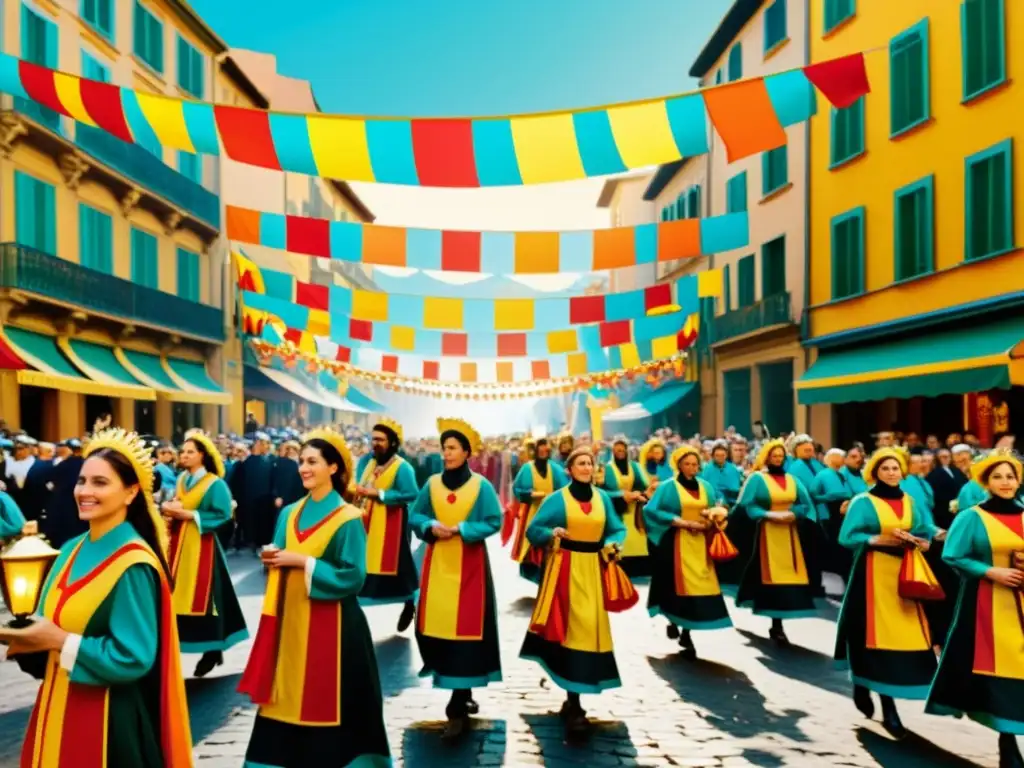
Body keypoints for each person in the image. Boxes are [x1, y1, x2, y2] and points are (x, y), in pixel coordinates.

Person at [7, 429, 193, 767]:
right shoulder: (68, 550)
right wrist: (26, 642)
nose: (85, 491)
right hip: (56, 706)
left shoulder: (133, 562)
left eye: (100, 483)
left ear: (131, 492)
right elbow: (49, 627)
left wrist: (57, 639)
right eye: (82, 481)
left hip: (108, 724)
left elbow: (133, 657)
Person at [238, 428, 391, 767]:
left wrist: (303, 561)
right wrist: (272, 559)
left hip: (337, 631)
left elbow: (353, 576)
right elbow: (279, 553)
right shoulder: (288, 513)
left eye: (312, 462)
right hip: (290, 624)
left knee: (332, 700)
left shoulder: (350, 518)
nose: (303, 468)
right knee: (286, 695)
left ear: (333, 468)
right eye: (301, 462)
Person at [926, 449, 1024, 768]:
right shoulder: (971, 516)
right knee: (1000, 669)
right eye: (998, 476)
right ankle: (1007, 740)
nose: (1005, 482)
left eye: (1011, 476)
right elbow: (952, 555)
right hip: (987, 603)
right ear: (986, 481)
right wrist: (990, 571)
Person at [520, 445, 626, 737]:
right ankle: (575, 704)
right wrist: (551, 533)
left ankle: (574, 696)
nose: (586, 468)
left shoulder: (603, 498)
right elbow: (534, 529)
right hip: (564, 570)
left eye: (589, 463)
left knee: (589, 628)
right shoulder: (558, 500)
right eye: (580, 463)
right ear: (569, 469)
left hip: (592, 569)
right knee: (570, 629)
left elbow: (616, 529)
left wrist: (613, 545)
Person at [409, 417, 503, 740]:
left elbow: (494, 520)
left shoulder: (482, 487)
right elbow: (416, 515)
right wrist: (428, 527)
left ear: (466, 452)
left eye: (452, 448)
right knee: (433, 625)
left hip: (471, 568)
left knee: (466, 631)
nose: (445, 453)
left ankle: (457, 706)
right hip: (437, 567)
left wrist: (462, 529)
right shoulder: (431, 485)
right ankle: (456, 691)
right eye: (443, 448)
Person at [835, 447, 935, 740]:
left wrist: (926, 540)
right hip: (872, 574)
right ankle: (886, 707)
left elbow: (924, 528)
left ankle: (869, 684)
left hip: (905, 574)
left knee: (907, 635)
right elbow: (846, 537)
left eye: (895, 468)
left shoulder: (910, 501)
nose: (892, 472)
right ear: (875, 472)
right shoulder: (863, 501)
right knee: (875, 636)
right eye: (885, 468)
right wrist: (877, 539)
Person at [162, 431, 248, 678]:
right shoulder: (181, 480)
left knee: (209, 598)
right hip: (178, 548)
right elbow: (178, 503)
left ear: (202, 456)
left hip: (204, 549)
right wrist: (169, 508)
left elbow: (223, 515)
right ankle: (181, 646)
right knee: (176, 595)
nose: (184, 455)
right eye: (183, 452)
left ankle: (213, 647)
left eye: (190, 452)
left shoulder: (215, 483)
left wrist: (192, 516)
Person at [644, 444, 731, 657]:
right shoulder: (668, 486)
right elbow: (651, 510)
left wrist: (714, 517)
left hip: (700, 543)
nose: (692, 468)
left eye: (694, 464)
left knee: (699, 586)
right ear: (679, 466)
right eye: (687, 464)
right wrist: (679, 522)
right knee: (677, 586)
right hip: (676, 543)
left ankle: (687, 630)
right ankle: (678, 623)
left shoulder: (706, 487)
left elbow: (715, 506)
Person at [734, 438, 818, 645]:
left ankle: (777, 623)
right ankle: (775, 622)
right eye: (774, 456)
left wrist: (794, 514)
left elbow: (805, 504)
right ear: (766, 457)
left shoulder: (793, 479)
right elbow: (747, 505)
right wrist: (768, 515)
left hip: (790, 534)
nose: (778, 459)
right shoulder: (757, 479)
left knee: (784, 575)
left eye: (781, 456)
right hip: (764, 532)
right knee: (762, 571)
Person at [352, 418, 420, 633]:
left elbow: (411, 494)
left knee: (400, 568)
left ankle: (410, 602)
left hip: (392, 525)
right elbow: (358, 483)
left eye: (380, 440)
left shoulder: (403, 467)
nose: (375, 443)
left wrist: (379, 494)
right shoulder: (366, 462)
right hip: (364, 521)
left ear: (392, 442)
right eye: (373, 439)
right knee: (361, 562)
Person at [510, 437, 569, 583]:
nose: (544, 450)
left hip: (550, 514)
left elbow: (564, 488)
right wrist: (529, 494)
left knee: (549, 543)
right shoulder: (527, 468)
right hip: (532, 512)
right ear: (536, 450)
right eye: (541, 447)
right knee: (531, 543)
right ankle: (536, 575)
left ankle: (549, 574)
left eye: (546, 448)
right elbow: (517, 489)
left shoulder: (554, 468)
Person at [601, 438, 650, 579]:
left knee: (637, 539)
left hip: (634, 509)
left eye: (623, 450)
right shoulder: (607, 468)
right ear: (613, 452)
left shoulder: (634, 466)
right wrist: (621, 494)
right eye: (617, 451)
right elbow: (602, 491)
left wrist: (638, 493)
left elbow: (644, 484)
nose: (620, 453)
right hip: (616, 509)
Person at [229, 432, 275, 552]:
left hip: (266, 501)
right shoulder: (244, 464)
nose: (267, 446)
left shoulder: (271, 461)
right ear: (258, 444)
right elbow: (237, 483)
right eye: (265, 443)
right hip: (249, 501)